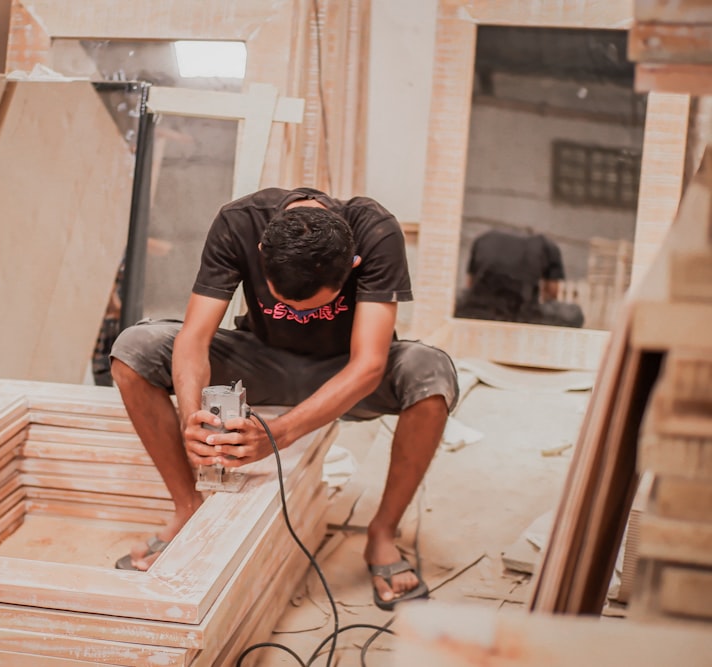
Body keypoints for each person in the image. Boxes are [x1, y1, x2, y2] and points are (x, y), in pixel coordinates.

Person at [109, 187, 459, 610]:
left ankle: (382, 534)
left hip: (344, 370)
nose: (301, 313)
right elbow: (193, 340)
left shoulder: (376, 232)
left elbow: (369, 365)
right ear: (261, 252)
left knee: (430, 371)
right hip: (261, 359)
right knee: (135, 347)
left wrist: (279, 433)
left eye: (313, 305)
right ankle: (187, 507)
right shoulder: (239, 223)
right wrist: (192, 416)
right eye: (285, 301)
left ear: (353, 264)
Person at [454, 229, 584, 328]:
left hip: (479, 310)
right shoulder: (547, 246)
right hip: (521, 312)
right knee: (575, 314)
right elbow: (552, 292)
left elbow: (470, 284)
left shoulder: (484, 238)